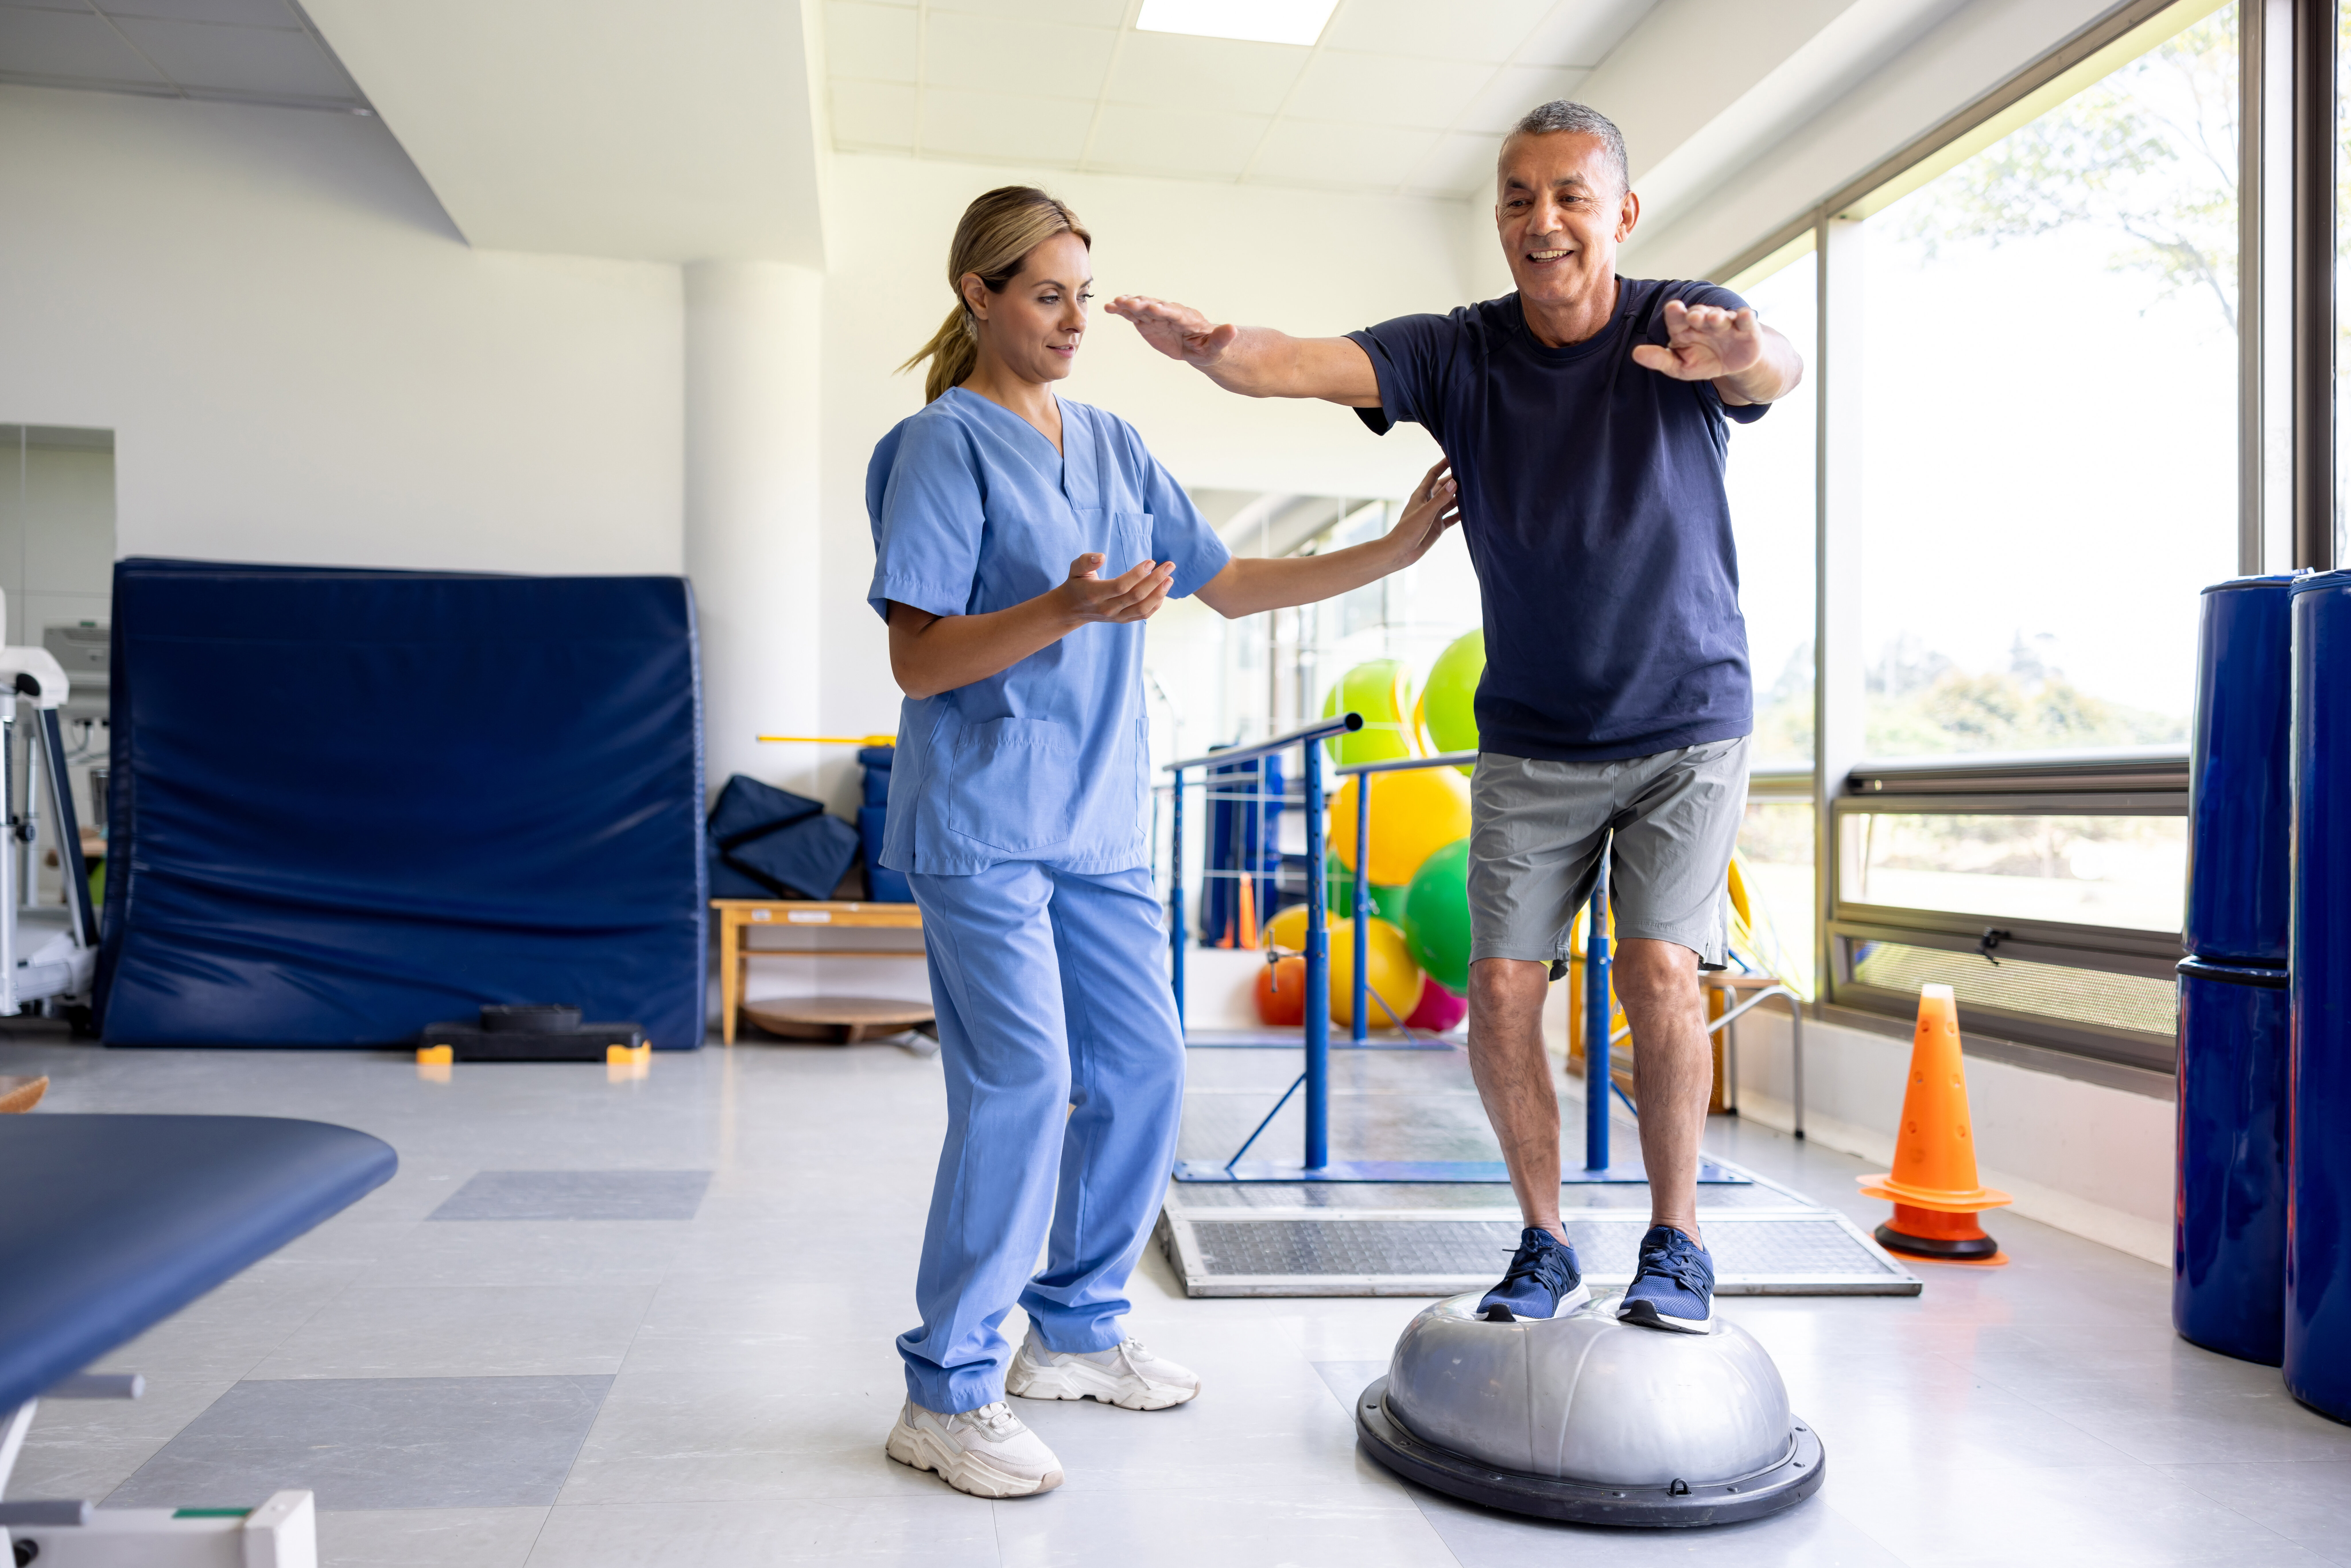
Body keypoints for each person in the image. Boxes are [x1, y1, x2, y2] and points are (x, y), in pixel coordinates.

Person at [1107, 100, 1804, 1336]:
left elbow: (1769, 366)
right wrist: (1214, 348)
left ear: (1620, 214)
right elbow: (1296, 359)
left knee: (1655, 966)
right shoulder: (1459, 351)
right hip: (1533, 735)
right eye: (1517, 198)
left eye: (1569, 196)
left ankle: (1676, 1241)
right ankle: (1541, 1242)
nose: (1541, 222)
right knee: (1495, 990)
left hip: (1685, 718)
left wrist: (1745, 351)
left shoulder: (1675, 325)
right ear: (1498, 215)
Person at [868, 185, 1461, 1499]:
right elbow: (917, 662)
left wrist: (1395, 546)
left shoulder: (1121, 445)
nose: (1075, 318)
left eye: (1085, 292)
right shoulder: (939, 450)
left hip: (1097, 823)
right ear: (977, 297)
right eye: (1045, 294)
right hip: (980, 824)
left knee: (1139, 1070)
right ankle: (945, 1389)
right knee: (1019, 1087)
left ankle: (1072, 1333)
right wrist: (1063, 609)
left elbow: (1232, 585)